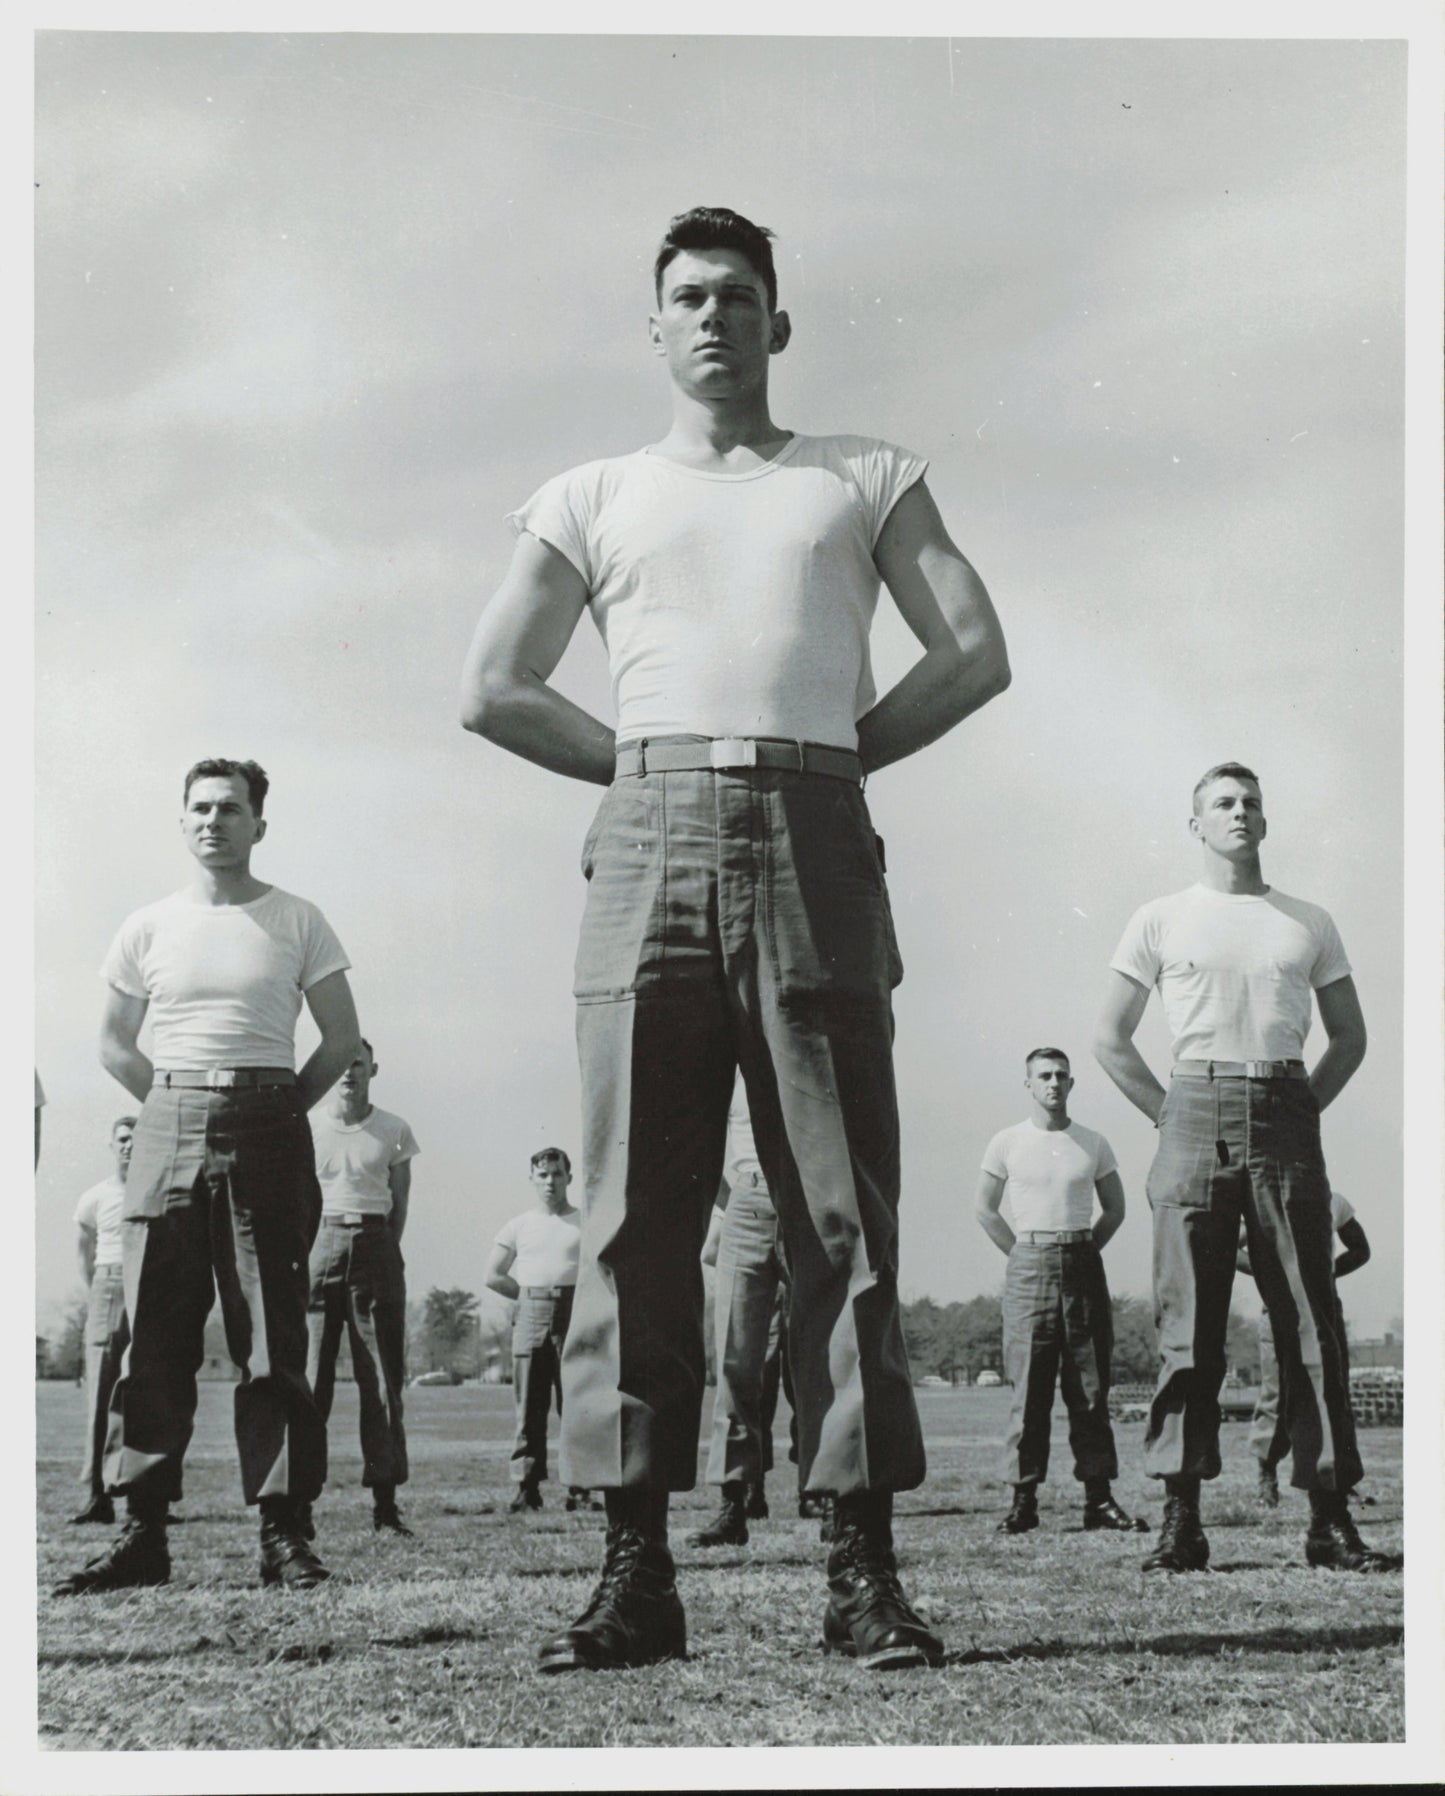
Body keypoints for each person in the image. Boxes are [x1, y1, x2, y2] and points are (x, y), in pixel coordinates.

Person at [461, 205, 1009, 1672]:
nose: (713, 318)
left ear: (780, 323)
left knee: (840, 1214)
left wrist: (833, 758)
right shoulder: (585, 495)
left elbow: (974, 650)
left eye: (739, 297)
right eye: (687, 298)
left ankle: (860, 1574)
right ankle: (634, 1574)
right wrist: (645, 770)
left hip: (815, 837)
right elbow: (495, 684)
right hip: (649, 845)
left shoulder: (864, 476)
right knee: (636, 1212)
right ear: (654, 329)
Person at [54, 758, 360, 1596]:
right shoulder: (148, 925)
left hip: (269, 1121)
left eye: (230, 808)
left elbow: (339, 1036)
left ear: (260, 823)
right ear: (180, 821)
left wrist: (278, 1104)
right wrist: (177, 1106)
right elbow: (115, 1042)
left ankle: (283, 1535)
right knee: (153, 1336)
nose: (212, 821)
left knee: (272, 1340)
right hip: (169, 1121)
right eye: (198, 808)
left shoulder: (297, 919)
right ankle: (143, 1533)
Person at [1094, 761, 1399, 1574]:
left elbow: (1350, 1038)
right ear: (1194, 824)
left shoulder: (1306, 921)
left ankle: (1327, 1519)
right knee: (1187, 1328)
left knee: (1308, 1323)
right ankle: (1179, 1519)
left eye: (1250, 803)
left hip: (1284, 1111)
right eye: (1221, 803)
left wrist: (1297, 1113)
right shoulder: (1160, 918)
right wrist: (1169, 1115)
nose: (1238, 813)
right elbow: (1109, 1039)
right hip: (1191, 1110)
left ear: (1266, 823)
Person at [976, 1049, 1148, 1538]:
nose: (1053, 1083)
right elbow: (984, 1209)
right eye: (1043, 1076)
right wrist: (1019, 1254)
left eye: (1061, 1076)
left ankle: (1099, 1499)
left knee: (1090, 1389)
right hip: (1028, 1264)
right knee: (1029, 1391)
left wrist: (1085, 1248)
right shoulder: (1007, 1141)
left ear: (1072, 1084)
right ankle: (1023, 1502)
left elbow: (1115, 1208)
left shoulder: (1092, 1142)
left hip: (1082, 1264)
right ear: (1027, 1083)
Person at [305, 1039, 419, 1537]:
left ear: (374, 1068)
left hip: (374, 1244)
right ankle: (296, 1507)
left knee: (381, 1381)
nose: (349, 1073)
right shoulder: (308, 1126)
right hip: (318, 1245)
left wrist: (379, 1252)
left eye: (358, 1064)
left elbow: (399, 1205)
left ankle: (385, 1506)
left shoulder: (394, 1130)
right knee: (310, 1382)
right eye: (342, 1065)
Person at [689, 1078, 802, 1549]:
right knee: (735, 1361)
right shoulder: (728, 1070)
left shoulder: (804, 1045)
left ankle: (830, 1497)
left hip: (807, 1199)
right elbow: (702, 1151)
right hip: (748, 1198)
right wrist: (741, 1195)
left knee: (817, 1362)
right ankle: (732, 1505)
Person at [484, 1148, 600, 1515]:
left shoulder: (586, 1221)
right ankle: (526, 1488)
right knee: (529, 1407)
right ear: (533, 1179)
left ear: (569, 1177)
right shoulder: (519, 1225)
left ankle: (580, 1489)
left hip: (574, 1314)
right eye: (543, 1175)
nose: (550, 1182)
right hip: (531, 1313)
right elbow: (493, 1275)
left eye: (557, 1174)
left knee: (577, 1403)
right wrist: (527, 1296)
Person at [1241, 1191, 1370, 1506]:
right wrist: (1270, 1275)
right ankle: (1266, 1482)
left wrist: (1327, 1274)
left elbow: (1361, 1249)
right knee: (1276, 1394)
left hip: (1323, 1306)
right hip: (1279, 1304)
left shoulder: (1333, 1201)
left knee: (1334, 1392)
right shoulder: (1266, 1199)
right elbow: (1233, 1247)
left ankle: (1340, 1481)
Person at [70, 1116, 137, 1525]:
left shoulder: (157, 1192)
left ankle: (146, 1498)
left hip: (149, 1285)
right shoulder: (94, 1197)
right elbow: (84, 1254)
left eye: (137, 1139)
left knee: (147, 1390)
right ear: (111, 1144)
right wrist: (104, 1288)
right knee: (101, 1389)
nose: (130, 1146)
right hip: (109, 1283)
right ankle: (98, 1495)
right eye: (124, 1139)